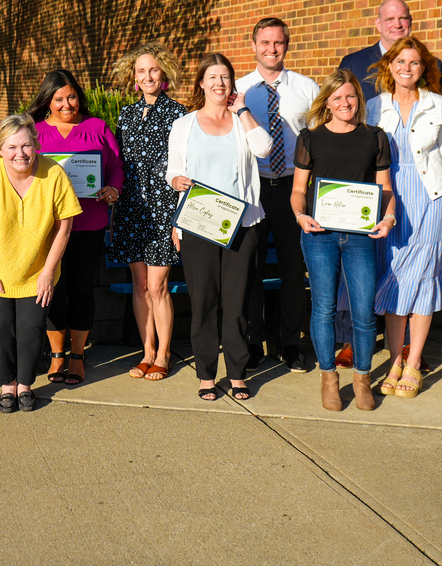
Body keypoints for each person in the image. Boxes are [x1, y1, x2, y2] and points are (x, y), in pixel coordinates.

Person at [166, 53, 272, 402]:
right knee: (204, 301)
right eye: (212, 77)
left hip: (241, 224)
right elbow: (173, 172)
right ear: (201, 82)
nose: (219, 83)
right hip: (199, 223)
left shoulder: (242, 120)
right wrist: (176, 180)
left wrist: (242, 110)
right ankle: (207, 374)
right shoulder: (185, 125)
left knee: (237, 301)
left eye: (225, 77)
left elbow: (264, 148)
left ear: (232, 83)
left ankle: (238, 373)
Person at [291, 71, 396, 412]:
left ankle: (362, 379)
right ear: (327, 102)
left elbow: (386, 189)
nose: (344, 103)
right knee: (323, 308)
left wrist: (389, 217)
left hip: (360, 236)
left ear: (358, 100)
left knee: (364, 311)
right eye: (337, 98)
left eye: (350, 97)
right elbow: (297, 191)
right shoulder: (310, 139)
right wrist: (300, 215)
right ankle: (329, 377)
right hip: (319, 235)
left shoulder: (375, 138)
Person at [0, 115, 81, 413]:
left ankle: (25, 384)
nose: (20, 153)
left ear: (35, 145)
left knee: (32, 326)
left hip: (37, 270)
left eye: (27, 145)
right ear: (0, 148)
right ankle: (6, 386)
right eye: (12, 146)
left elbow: (64, 227)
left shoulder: (53, 174)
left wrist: (48, 271)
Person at [366, 38, 442, 400]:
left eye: (415, 63)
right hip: (389, 198)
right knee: (394, 280)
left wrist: (435, 194)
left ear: (424, 68)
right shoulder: (374, 106)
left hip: (429, 198)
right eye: (400, 61)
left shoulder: (439, 104)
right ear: (389, 65)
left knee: (421, 279)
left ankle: (414, 362)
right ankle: (393, 362)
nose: (407, 68)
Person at [28, 69, 123, 385]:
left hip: (89, 223)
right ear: (48, 101)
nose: (66, 104)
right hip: (49, 227)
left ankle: (78, 356)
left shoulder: (96, 127)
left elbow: (115, 168)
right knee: (54, 290)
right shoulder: (35, 132)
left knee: (82, 291)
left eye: (71, 96)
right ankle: (57, 357)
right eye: (58, 99)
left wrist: (113, 189)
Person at [235, 17, 319, 373]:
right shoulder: (238, 90)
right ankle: (253, 342)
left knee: (291, 268)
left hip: (292, 189)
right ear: (253, 45)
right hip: (252, 190)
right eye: (265, 42)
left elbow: (319, 141)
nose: (272, 49)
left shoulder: (306, 88)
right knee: (249, 269)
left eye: (278, 43)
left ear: (287, 45)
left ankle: (290, 342)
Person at [109, 42, 187, 380]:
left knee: (157, 287)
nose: (147, 76)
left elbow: (188, 166)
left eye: (153, 69)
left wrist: (180, 219)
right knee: (140, 284)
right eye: (141, 71)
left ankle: (165, 354)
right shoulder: (125, 115)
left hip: (164, 209)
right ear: (134, 77)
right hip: (131, 207)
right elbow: (116, 164)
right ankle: (147, 352)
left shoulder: (180, 114)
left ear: (164, 72)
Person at [338, 0, 442, 103]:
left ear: (410, 21)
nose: (397, 25)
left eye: (403, 18)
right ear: (378, 24)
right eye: (390, 19)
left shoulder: (433, 64)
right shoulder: (353, 64)